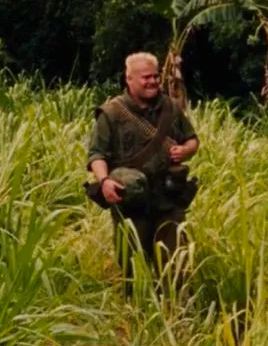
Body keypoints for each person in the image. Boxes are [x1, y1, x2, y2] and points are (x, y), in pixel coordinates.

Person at [85, 52, 200, 289]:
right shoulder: (112, 113)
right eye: (146, 77)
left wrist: (186, 150)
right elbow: (96, 155)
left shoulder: (170, 107)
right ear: (129, 79)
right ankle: (136, 315)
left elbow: (192, 139)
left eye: (155, 76)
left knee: (176, 264)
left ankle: (176, 315)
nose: (153, 82)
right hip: (132, 202)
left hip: (169, 199)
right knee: (132, 269)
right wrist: (104, 181)